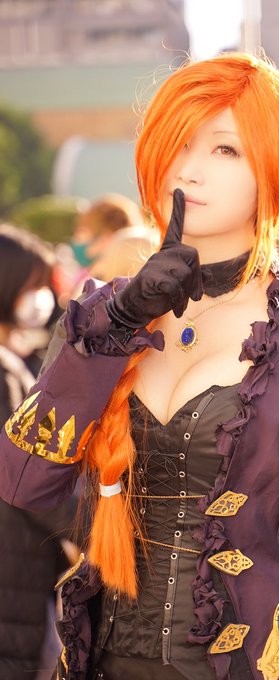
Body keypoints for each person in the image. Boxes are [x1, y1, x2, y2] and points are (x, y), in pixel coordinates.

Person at [0, 47, 279, 680]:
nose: (189, 169)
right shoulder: (100, 317)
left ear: (275, 167)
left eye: (225, 149)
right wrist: (119, 323)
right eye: (178, 142)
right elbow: (24, 481)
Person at [0, 224, 76, 679]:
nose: (43, 298)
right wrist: (93, 530)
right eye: (33, 285)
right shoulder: (3, 374)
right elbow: (27, 476)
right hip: (13, 572)